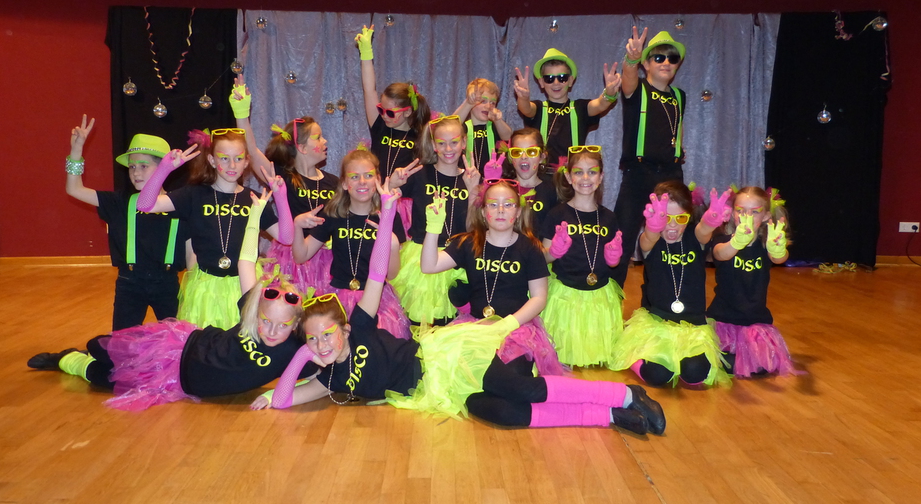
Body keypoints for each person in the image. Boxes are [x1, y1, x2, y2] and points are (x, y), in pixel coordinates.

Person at [250, 183, 665, 435]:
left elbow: (376, 275)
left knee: (520, 388)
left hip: (445, 356)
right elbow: (283, 400)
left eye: (327, 334)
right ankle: (607, 417)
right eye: (313, 341)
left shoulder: (358, 325)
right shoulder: (327, 378)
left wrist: (390, 213)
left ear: (342, 328)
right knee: (505, 414)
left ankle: (624, 395)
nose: (323, 345)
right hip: (438, 392)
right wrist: (304, 356)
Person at [28, 191, 310, 411]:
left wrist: (275, 394)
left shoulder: (296, 350)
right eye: (266, 321)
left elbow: (320, 379)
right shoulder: (251, 311)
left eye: (282, 325)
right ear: (257, 314)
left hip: (180, 381)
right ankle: (82, 352)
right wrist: (255, 216)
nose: (272, 331)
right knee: (102, 348)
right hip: (179, 346)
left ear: (296, 324)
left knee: (106, 377)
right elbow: (245, 262)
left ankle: (67, 359)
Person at [134, 129, 283, 329]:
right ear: (212, 160)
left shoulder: (254, 199)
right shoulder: (194, 195)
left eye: (238, 158)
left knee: (243, 339)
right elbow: (145, 205)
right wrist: (164, 169)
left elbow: (285, 237)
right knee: (205, 342)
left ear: (247, 161)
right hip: (206, 289)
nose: (232, 165)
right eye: (224, 158)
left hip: (245, 284)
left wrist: (281, 196)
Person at [421, 178, 563, 377]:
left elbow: (539, 298)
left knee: (508, 375)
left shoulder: (530, 248)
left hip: (515, 329)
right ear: (483, 212)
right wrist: (433, 228)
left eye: (508, 205)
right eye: (493, 205)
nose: (501, 210)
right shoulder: (469, 243)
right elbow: (429, 266)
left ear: (518, 212)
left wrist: (507, 325)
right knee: (460, 373)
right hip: (475, 326)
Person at [64, 116, 189, 330]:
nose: (136, 172)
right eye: (132, 167)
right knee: (122, 342)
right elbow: (74, 189)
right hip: (129, 283)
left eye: (143, 166)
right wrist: (76, 151)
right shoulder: (120, 202)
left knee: (179, 338)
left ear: (165, 167)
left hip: (168, 283)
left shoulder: (179, 203)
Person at [612, 180, 729, 388]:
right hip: (658, 323)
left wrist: (710, 221)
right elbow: (647, 239)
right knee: (658, 375)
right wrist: (653, 227)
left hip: (692, 326)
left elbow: (704, 230)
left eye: (680, 218)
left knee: (695, 374)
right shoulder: (652, 241)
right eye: (665, 217)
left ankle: (681, 362)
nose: (673, 225)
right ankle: (635, 359)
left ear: (689, 217)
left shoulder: (695, 237)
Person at [228, 76, 339, 291]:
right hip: (291, 260)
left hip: (326, 259)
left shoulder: (333, 182)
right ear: (302, 148)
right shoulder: (282, 177)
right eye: (318, 137)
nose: (325, 141)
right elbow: (252, 150)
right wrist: (242, 113)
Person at [292, 147, 411, 338]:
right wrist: (297, 225)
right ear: (345, 183)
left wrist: (393, 243)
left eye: (368, 175)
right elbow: (301, 255)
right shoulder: (333, 214)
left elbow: (392, 273)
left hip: (376, 298)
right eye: (354, 177)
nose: (362, 181)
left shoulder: (388, 215)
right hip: (338, 296)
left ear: (378, 180)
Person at [539, 145, 625, 368]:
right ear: (569, 177)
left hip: (599, 296)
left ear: (601, 177)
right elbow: (543, 258)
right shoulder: (557, 214)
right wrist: (553, 251)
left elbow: (614, 262)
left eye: (592, 172)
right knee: (563, 355)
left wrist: (613, 259)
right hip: (566, 296)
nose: (585, 178)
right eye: (578, 172)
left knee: (599, 359)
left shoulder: (609, 218)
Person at [389, 115, 477, 326]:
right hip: (421, 255)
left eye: (454, 142)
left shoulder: (470, 178)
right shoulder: (420, 175)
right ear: (434, 145)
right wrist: (392, 183)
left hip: (456, 257)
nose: (448, 148)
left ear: (464, 142)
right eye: (441, 143)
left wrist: (474, 191)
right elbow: (382, 202)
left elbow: (473, 228)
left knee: (452, 324)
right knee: (420, 322)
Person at [613, 28, 689, 268]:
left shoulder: (679, 96)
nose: (666, 62)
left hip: (671, 174)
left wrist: (678, 148)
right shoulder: (637, 89)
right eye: (658, 57)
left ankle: (663, 288)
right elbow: (628, 78)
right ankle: (612, 290)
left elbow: (678, 125)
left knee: (671, 236)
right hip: (639, 173)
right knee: (622, 236)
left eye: (672, 58)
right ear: (646, 64)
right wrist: (631, 59)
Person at [709, 186, 799, 377]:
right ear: (732, 213)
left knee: (760, 367)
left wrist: (777, 249)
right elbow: (720, 253)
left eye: (754, 212)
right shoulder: (722, 239)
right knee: (725, 363)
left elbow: (779, 259)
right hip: (724, 320)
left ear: (766, 216)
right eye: (740, 211)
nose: (746, 216)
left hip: (755, 322)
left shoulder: (766, 244)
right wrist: (737, 242)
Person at [355, 24, 432, 233]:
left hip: (404, 204)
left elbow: (452, 127)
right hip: (376, 199)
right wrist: (366, 54)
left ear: (407, 112)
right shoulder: (379, 126)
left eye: (390, 112)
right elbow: (369, 90)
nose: (383, 115)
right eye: (381, 109)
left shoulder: (421, 134)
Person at [514, 48, 620, 165]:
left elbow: (600, 104)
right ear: (541, 82)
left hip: (572, 173)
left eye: (562, 78)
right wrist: (523, 97)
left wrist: (609, 93)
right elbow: (526, 108)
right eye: (549, 79)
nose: (556, 83)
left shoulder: (581, 108)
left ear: (570, 81)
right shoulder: (538, 108)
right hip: (542, 173)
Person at [503, 126, 559, 235]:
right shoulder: (502, 190)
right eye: (517, 152)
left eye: (532, 152)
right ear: (510, 158)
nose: (524, 157)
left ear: (542, 157)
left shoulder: (552, 191)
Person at [454, 78, 512, 173]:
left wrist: (498, 120)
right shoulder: (463, 127)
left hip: (493, 177)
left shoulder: (495, 127)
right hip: (468, 176)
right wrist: (468, 103)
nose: (488, 106)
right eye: (483, 101)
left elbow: (508, 136)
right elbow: (450, 125)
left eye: (492, 103)